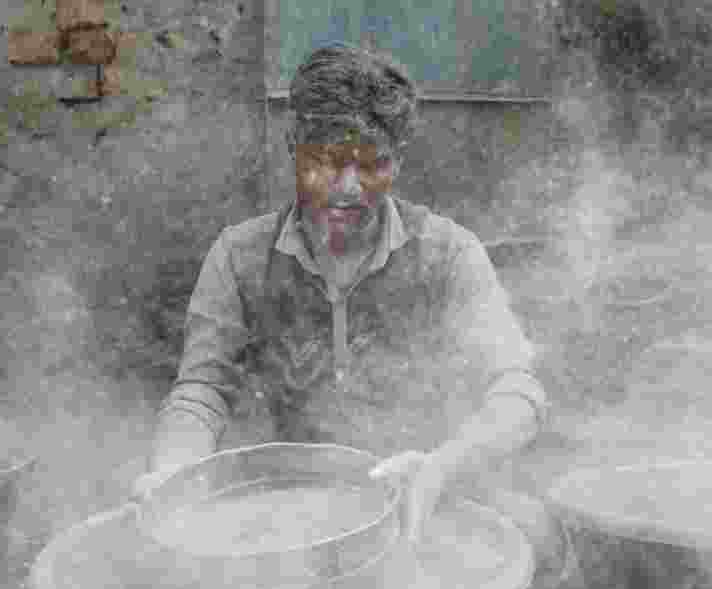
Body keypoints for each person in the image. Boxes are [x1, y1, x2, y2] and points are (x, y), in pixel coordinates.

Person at [134, 42, 548, 542]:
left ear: (399, 159)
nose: (349, 188)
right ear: (293, 148)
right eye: (327, 162)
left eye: (373, 165)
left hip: (424, 493)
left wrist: (442, 467)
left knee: (537, 532)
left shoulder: (447, 253)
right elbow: (202, 393)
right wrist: (175, 475)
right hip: (288, 510)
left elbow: (518, 394)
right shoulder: (239, 257)